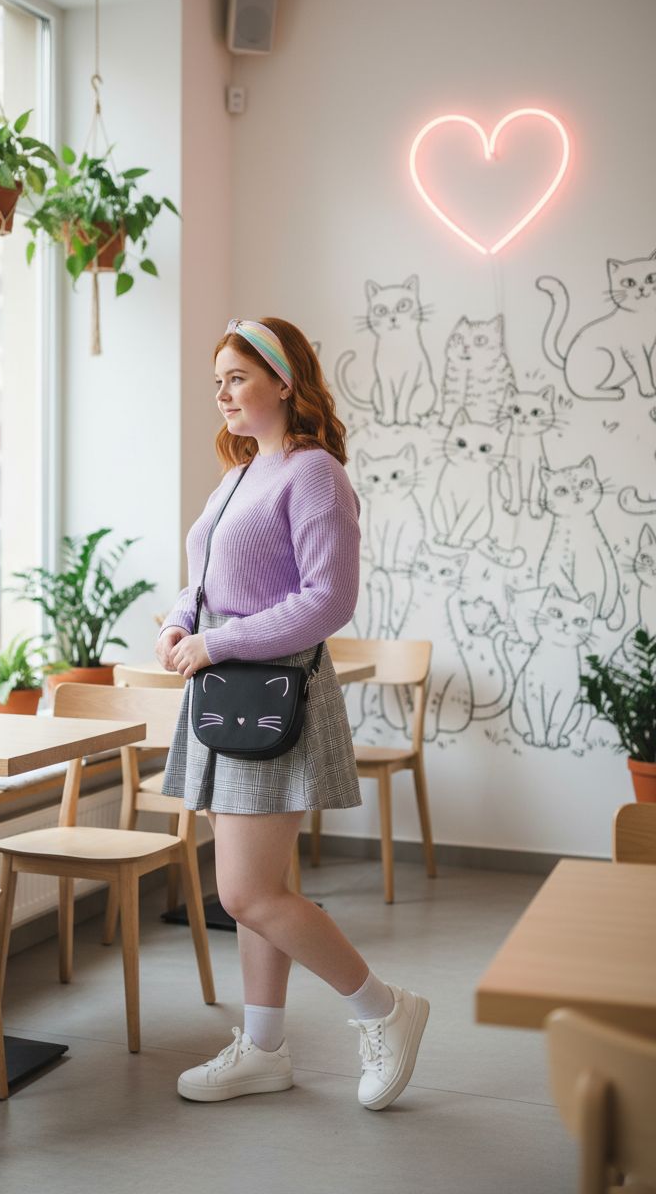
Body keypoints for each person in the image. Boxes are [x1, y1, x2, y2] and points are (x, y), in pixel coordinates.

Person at [155, 317, 429, 1109]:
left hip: (269, 697)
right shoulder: (239, 474)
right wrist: (181, 621)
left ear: (283, 380)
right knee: (257, 885)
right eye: (218, 382)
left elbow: (328, 600)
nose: (224, 395)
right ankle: (265, 1048)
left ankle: (385, 1008)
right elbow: (202, 576)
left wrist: (216, 643)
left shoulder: (313, 473)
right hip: (226, 698)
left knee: (244, 893)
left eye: (237, 377)